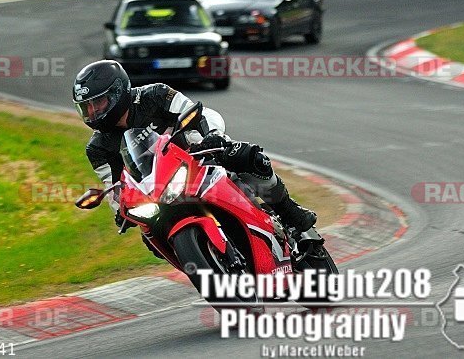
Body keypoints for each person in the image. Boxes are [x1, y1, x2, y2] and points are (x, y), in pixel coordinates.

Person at [72, 60, 317, 237]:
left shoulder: (155, 94)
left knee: (247, 157)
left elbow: (197, 112)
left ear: (117, 92)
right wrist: (120, 209)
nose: (92, 113)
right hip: (159, 189)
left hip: (199, 156)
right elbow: (113, 184)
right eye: (87, 107)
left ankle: (289, 211)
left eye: (97, 103)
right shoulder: (98, 147)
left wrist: (213, 136)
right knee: (151, 234)